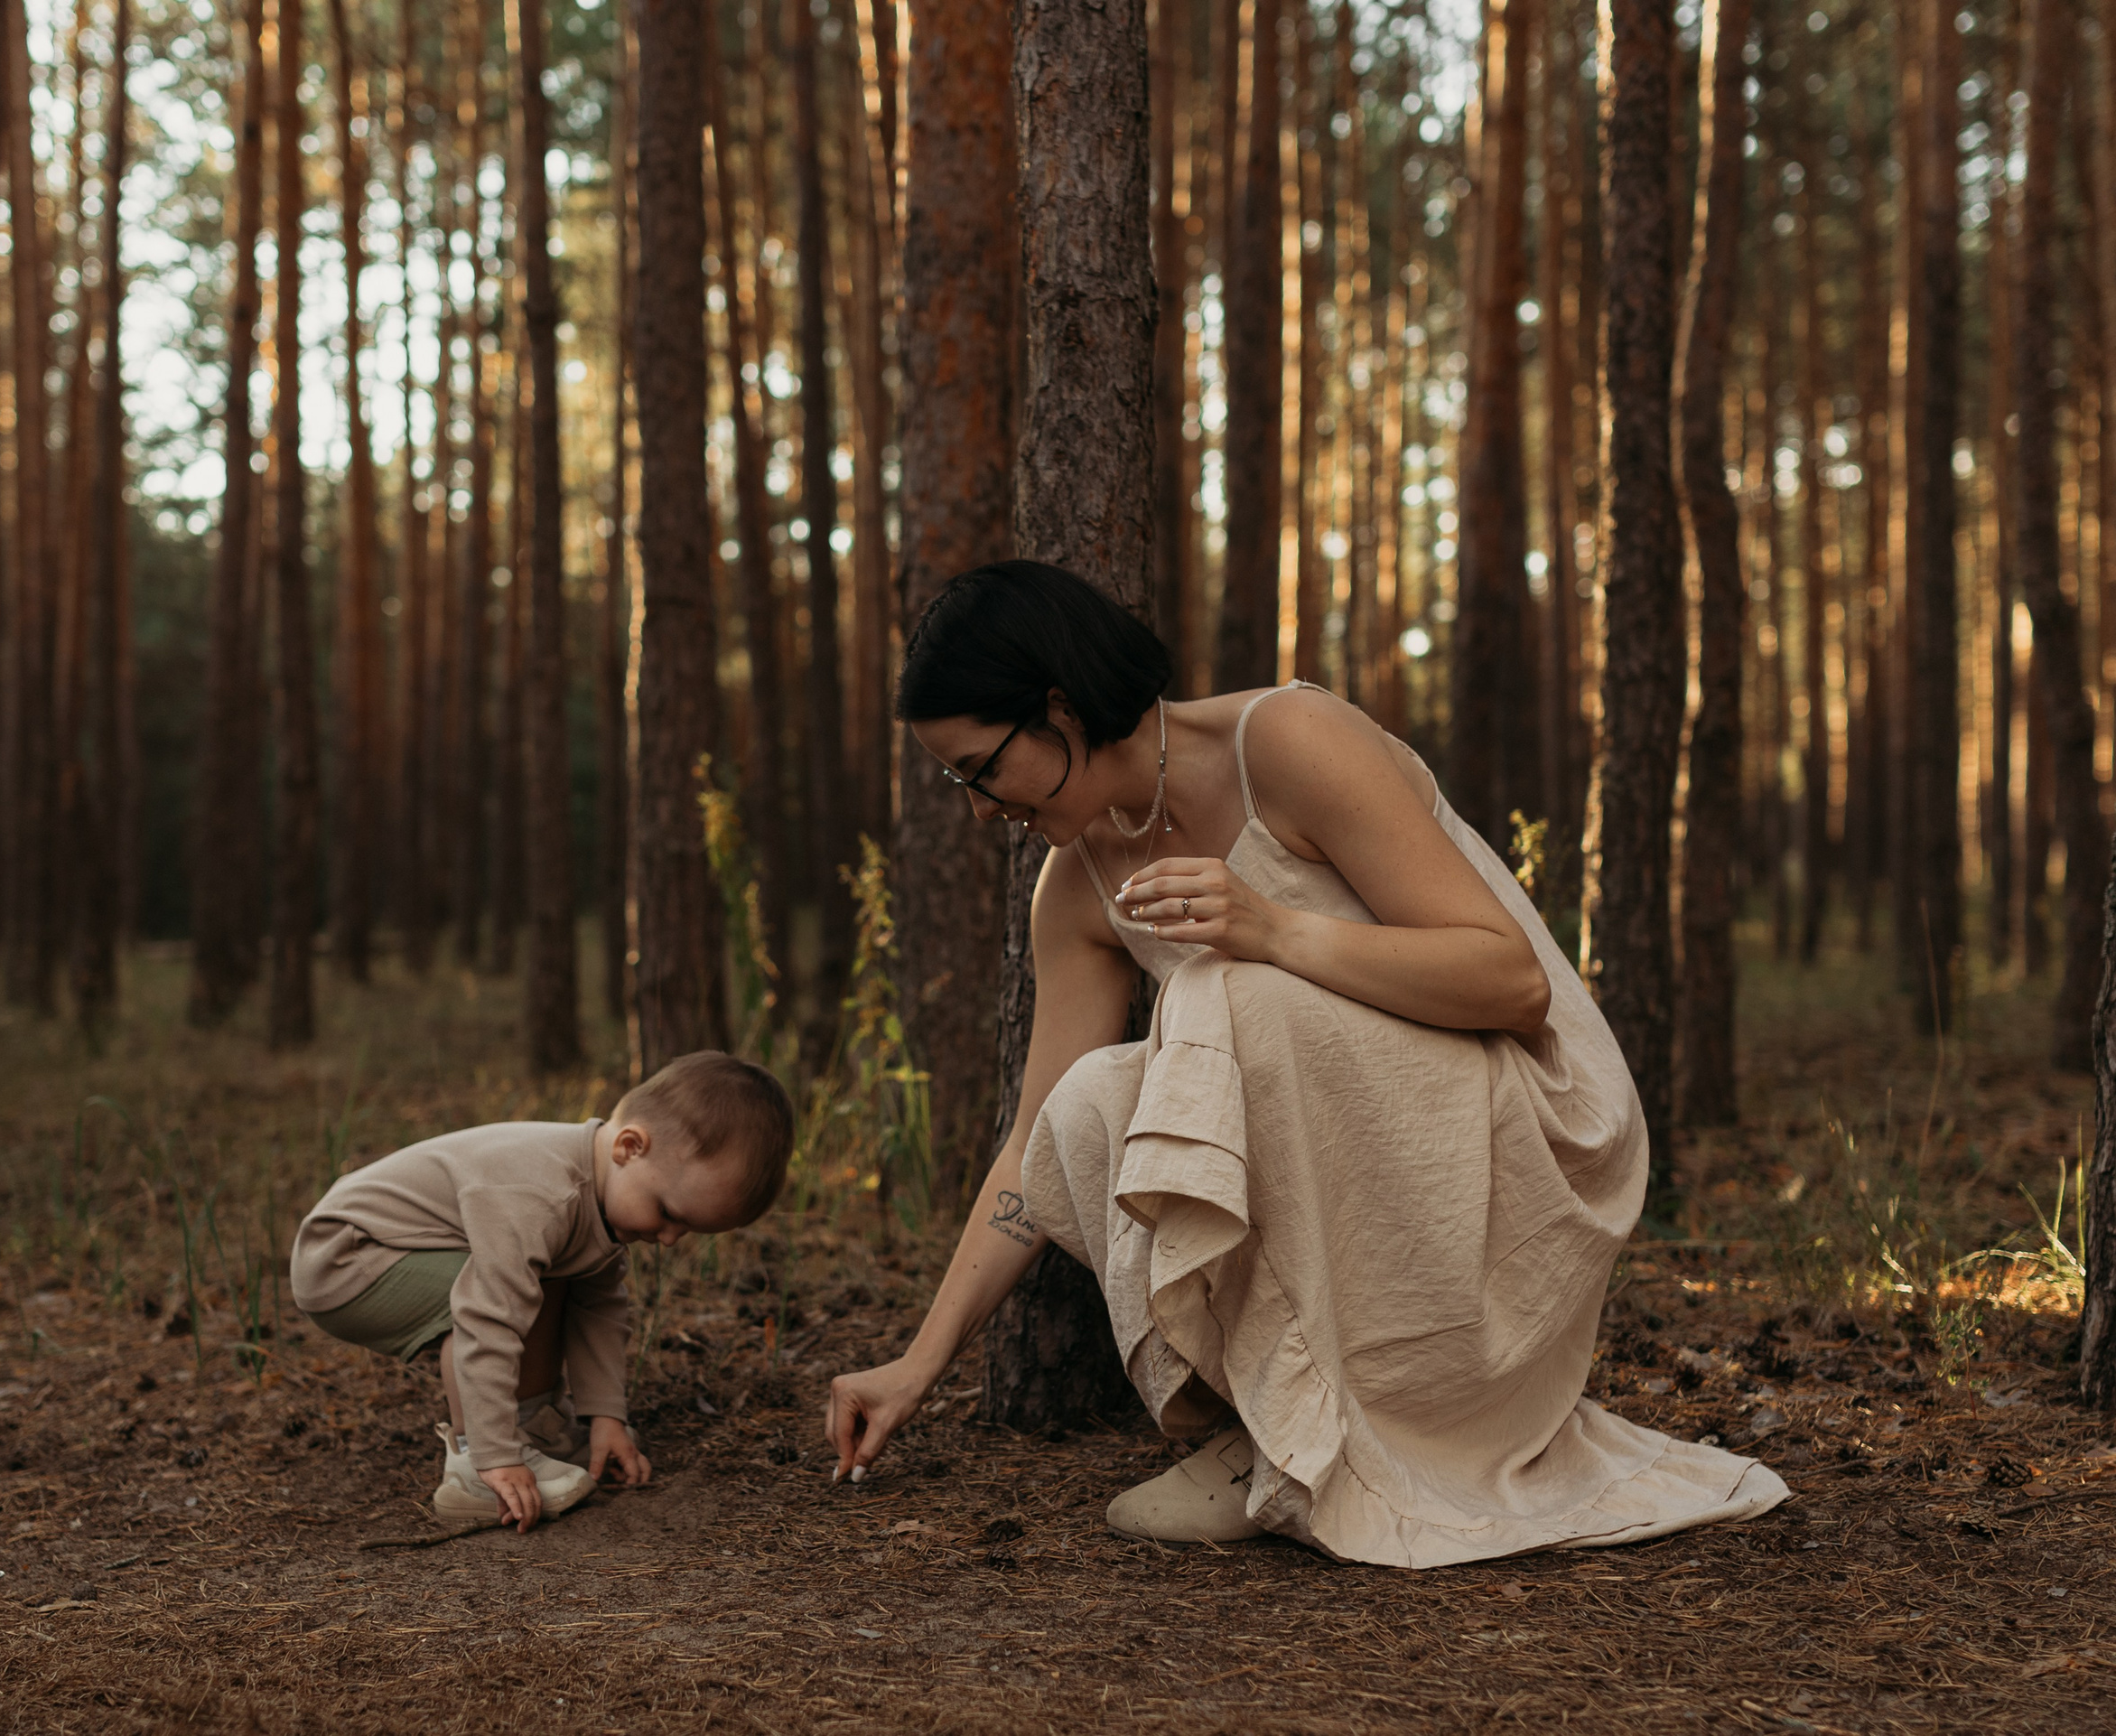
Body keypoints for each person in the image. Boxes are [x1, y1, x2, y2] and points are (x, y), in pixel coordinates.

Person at [825, 561, 1785, 1569]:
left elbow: (1510, 981)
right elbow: (1033, 1143)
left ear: (1056, 707)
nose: (977, 810)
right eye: (954, 779)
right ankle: (1276, 1423)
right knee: (1087, 1101)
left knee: (1214, 994)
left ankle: (1350, 1435)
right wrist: (918, 1363)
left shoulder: (1284, 740)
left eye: (979, 767)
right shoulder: (1072, 889)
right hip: (1360, 1157)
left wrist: (1272, 930)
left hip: (1526, 1126)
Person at [293, 1050, 794, 1531]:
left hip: (399, 1248)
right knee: (491, 1298)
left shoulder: (599, 1198)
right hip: (348, 1255)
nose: (666, 1239)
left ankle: (529, 1425)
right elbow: (489, 1316)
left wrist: (606, 1419)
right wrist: (498, 1457)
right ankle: (474, 1468)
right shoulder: (541, 1196)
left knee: (548, 1281)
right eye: (667, 1214)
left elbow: (598, 1310)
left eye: (685, 1232)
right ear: (629, 1148)